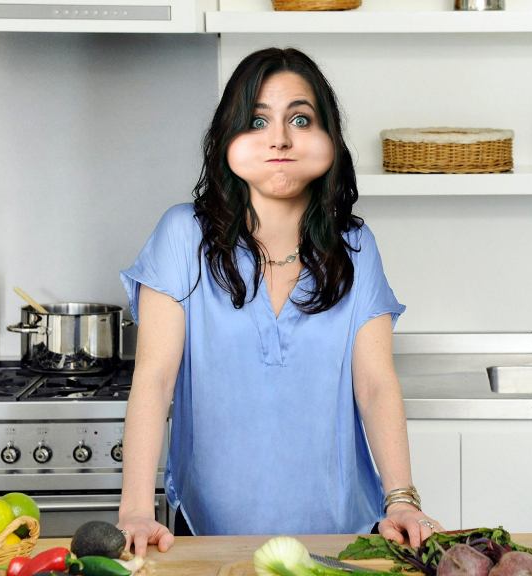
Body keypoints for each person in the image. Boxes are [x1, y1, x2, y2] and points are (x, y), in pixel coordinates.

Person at [116, 47, 442, 557]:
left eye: (300, 118)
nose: (280, 139)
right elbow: (154, 381)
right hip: (212, 532)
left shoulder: (355, 245)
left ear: (328, 136)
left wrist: (400, 498)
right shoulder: (182, 235)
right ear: (228, 138)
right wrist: (135, 509)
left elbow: (376, 385)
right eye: (257, 120)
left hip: (344, 533)